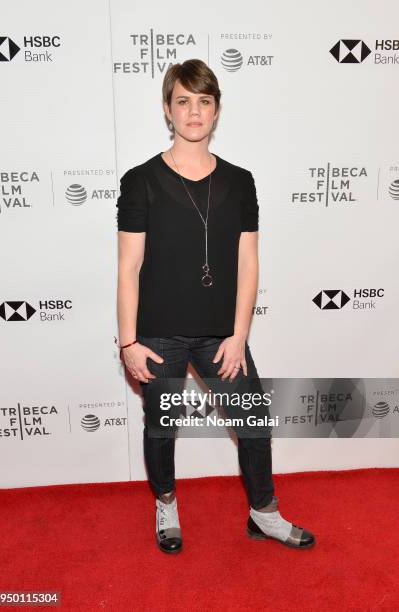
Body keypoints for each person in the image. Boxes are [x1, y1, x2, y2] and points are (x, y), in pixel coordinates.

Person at [115, 59, 315, 554]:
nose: (193, 111)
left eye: (203, 101)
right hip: (157, 335)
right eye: (183, 101)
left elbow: (249, 264)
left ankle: (263, 514)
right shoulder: (140, 180)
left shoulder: (240, 181)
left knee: (253, 422)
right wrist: (127, 342)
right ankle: (166, 505)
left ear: (216, 110)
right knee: (162, 427)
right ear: (168, 110)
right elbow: (128, 268)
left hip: (222, 335)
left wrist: (239, 335)